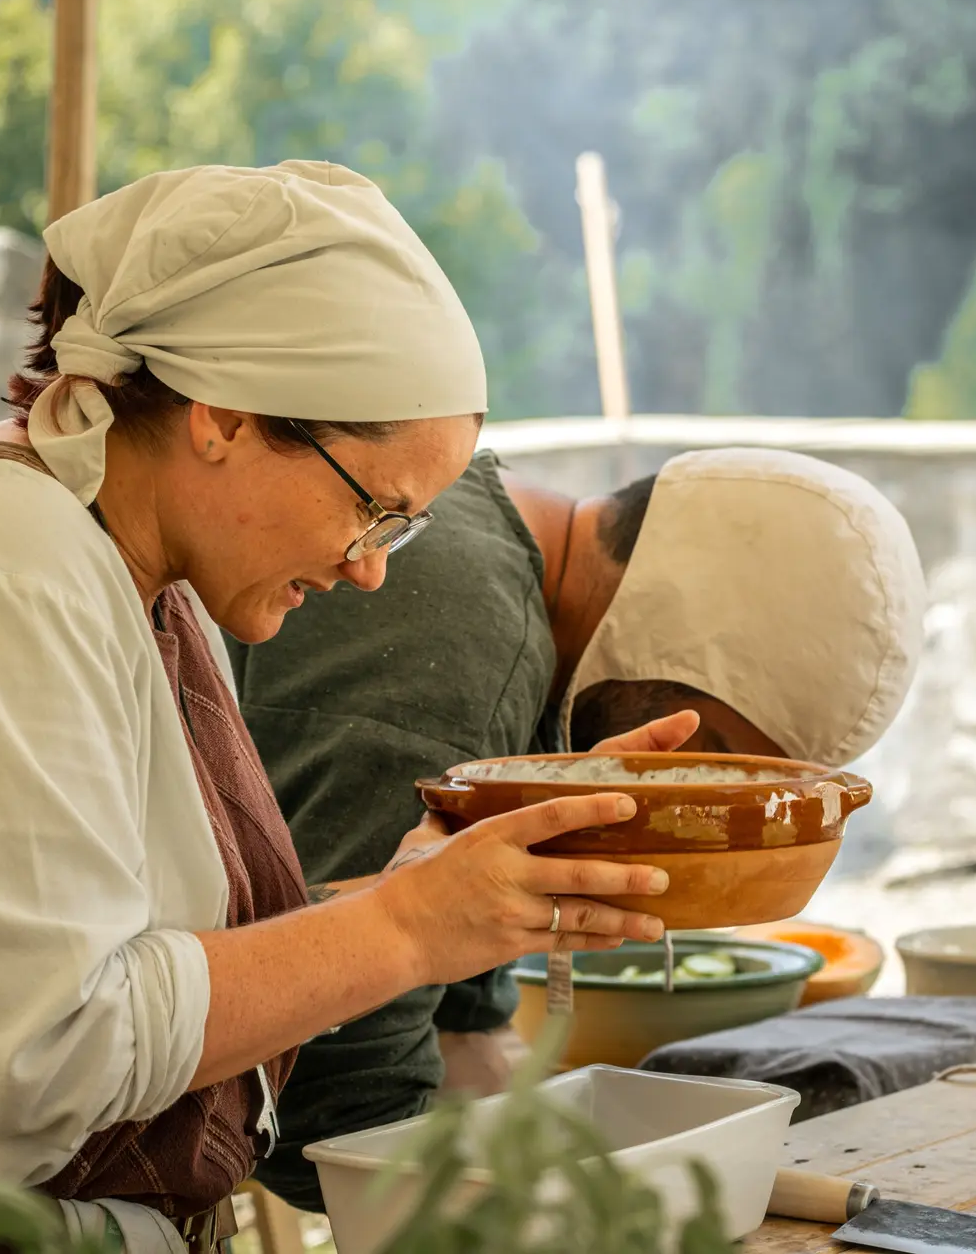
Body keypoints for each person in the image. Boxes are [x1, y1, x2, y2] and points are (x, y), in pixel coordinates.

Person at [0, 161, 688, 1254]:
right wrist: (401, 931)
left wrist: (423, 896)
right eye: (374, 511)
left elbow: (120, 953)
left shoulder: (132, 577)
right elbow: (41, 1045)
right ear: (224, 416)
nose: (371, 570)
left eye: (399, 530)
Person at [239, 442, 928, 1210]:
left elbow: (450, 999)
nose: (694, 787)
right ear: (675, 643)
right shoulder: (462, 640)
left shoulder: (493, 546)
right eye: (711, 758)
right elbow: (337, 1113)